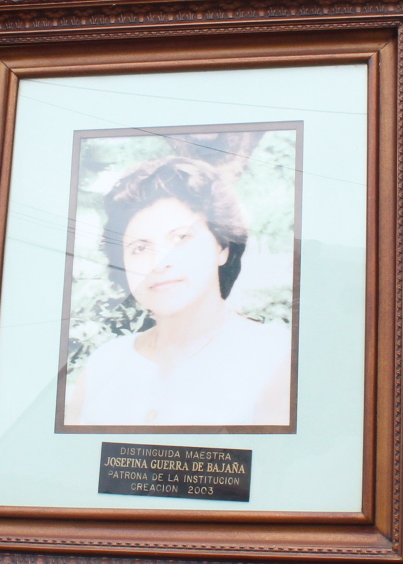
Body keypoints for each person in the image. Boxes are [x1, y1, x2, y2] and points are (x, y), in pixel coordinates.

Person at [64, 154, 291, 429]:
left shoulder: (276, 356)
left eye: (181, 238)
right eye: (139, 248)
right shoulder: (106, 363)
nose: (159, 262)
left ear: (222, 247)